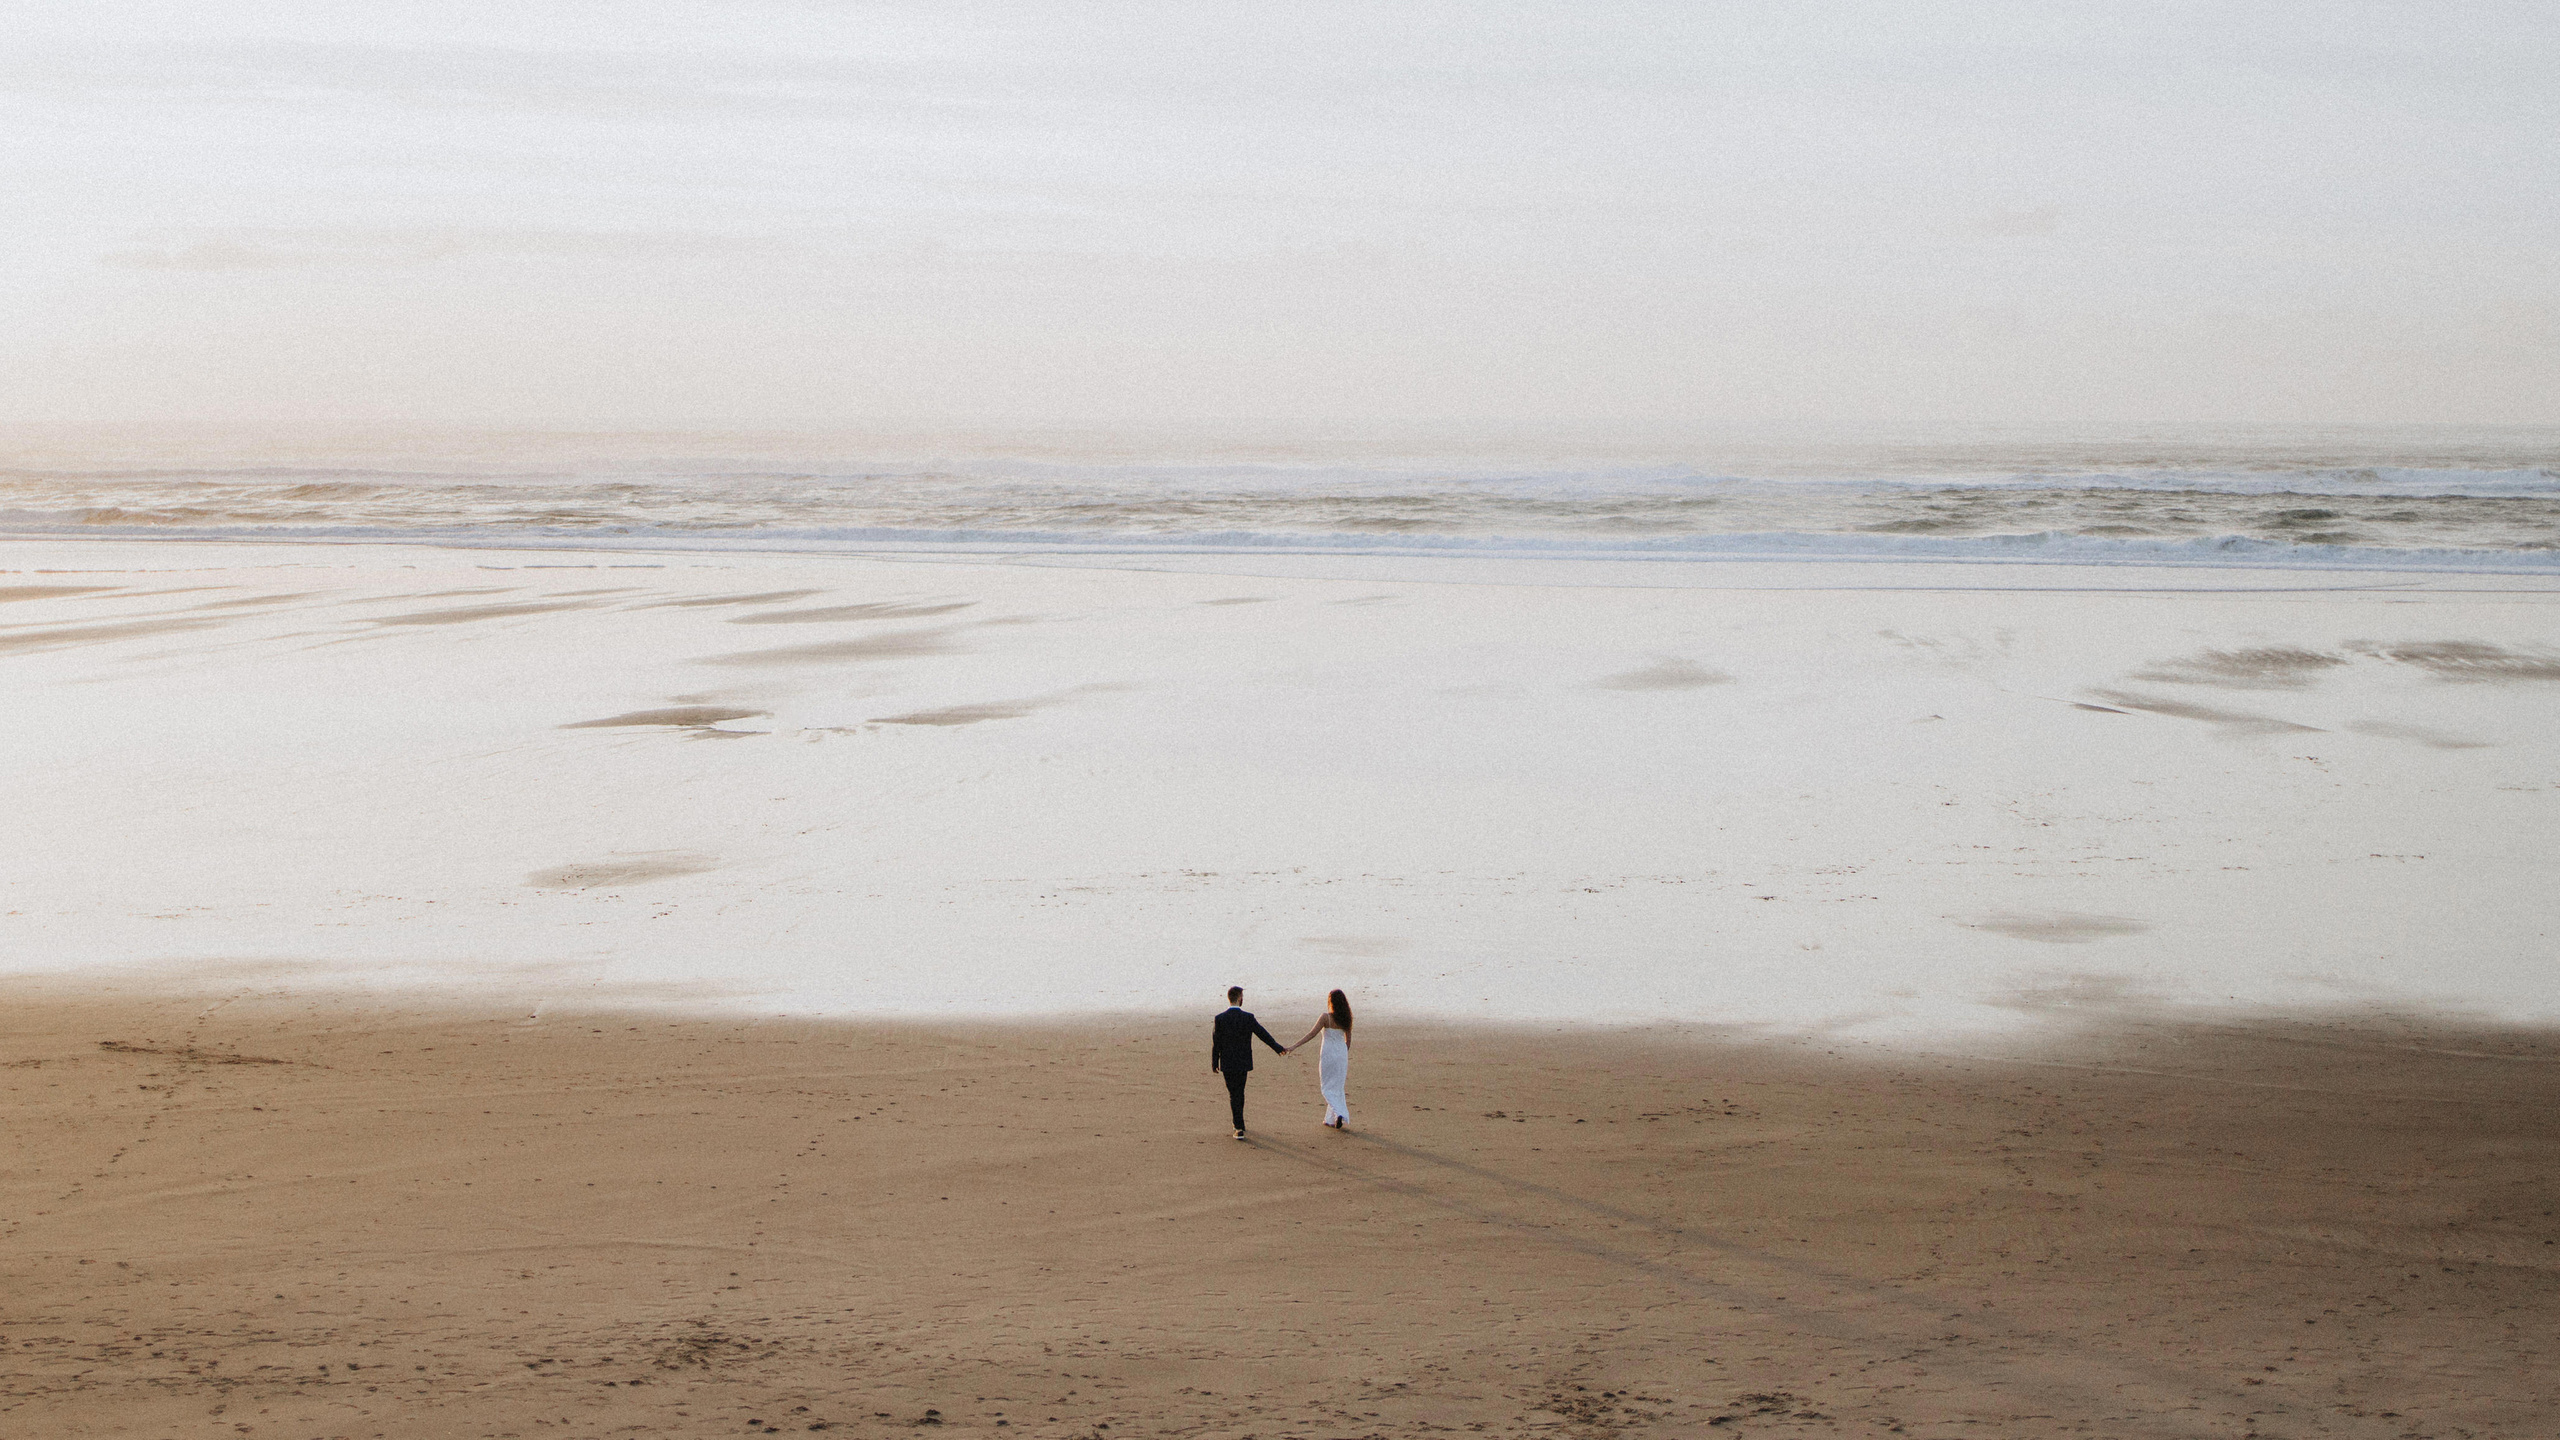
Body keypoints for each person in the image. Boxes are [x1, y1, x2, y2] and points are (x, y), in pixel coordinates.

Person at [1210, 986, 1287, 1140]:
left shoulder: (1220, 1018)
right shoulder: (1248, 1017)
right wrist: (1277, 1048)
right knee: (1240, 1092)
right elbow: (1263, 1034)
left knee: (1234, 1094)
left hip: (1227, 1062)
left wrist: (1214, 1061)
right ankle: (1239, 1124)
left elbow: (1216, 1042)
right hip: (1243, 1061)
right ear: (1239, 998)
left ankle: (1238, 1126)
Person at [1285, 989, 1354, 1129]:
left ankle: (1339, 1113)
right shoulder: (1347, 1018)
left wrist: (1294, 1046)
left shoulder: (1325, 1017)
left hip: (1328, 1054)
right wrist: (1342, 1054)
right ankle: (1331, 1119)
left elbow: (1311, 1034)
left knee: (1326, 1087)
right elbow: (1348, 1041)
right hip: (1341, 1054)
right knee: (1337, 1086)